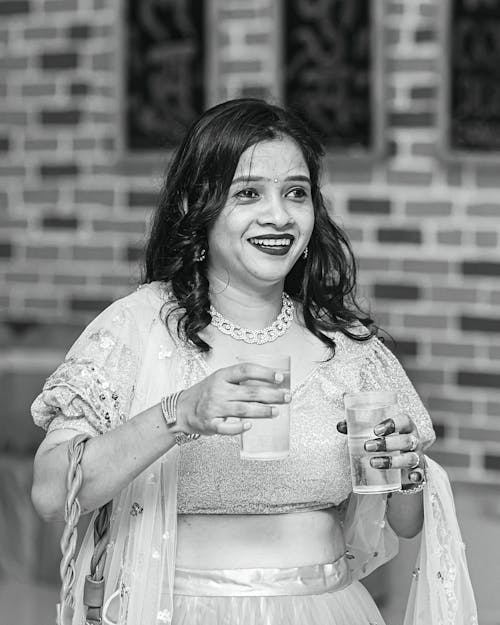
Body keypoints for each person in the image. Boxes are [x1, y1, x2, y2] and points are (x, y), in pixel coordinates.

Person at [31, 98, 477, 625]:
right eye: (248, 194)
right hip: (177, 610)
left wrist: (402, 467)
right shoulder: (136, 328)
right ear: (196, 208)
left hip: (328, 609)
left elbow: (406, 523)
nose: (279, 215)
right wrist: (179, 414)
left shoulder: (350, 347)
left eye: (296, 193)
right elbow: (51, 493)